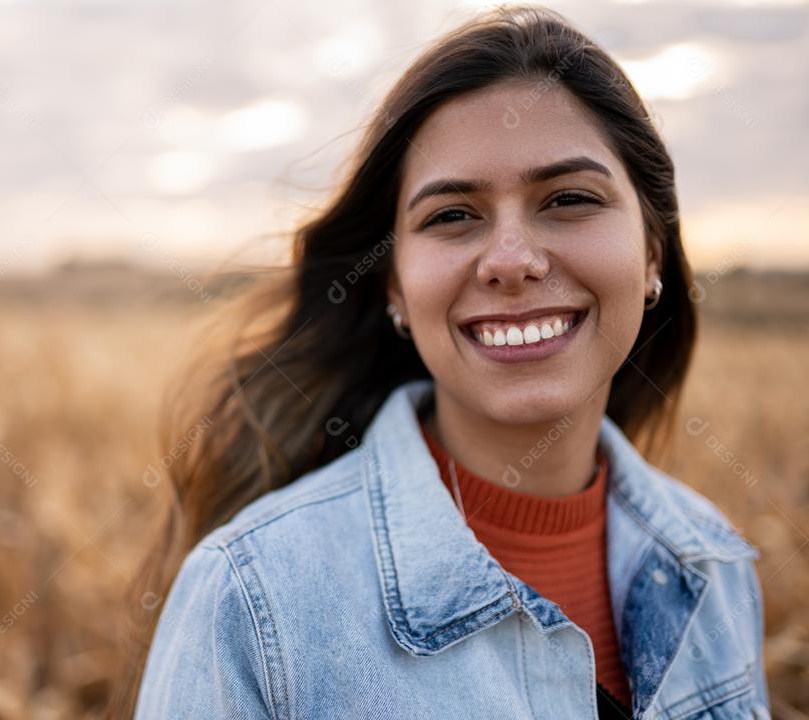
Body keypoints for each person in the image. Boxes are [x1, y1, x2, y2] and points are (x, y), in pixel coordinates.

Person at [109, 5, 770, 719]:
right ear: (393, 283)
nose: (511, 260)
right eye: (453, 215)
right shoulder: (251, 596)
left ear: (651, 253)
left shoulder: (714, 562)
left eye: (570, 199)